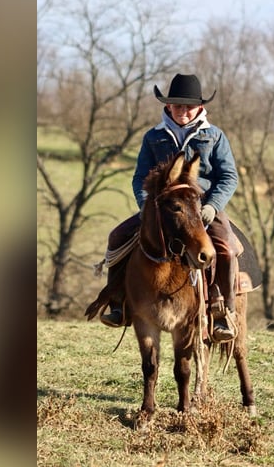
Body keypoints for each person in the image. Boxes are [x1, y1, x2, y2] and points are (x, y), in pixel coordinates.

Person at [97, 73, 240, 342]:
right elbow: (140, 176)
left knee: (227, 249)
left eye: (188, 106)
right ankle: (118, 304)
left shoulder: (215, 136)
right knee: (117, 237)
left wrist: (213, 206)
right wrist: (145, 205)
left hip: (203, 208)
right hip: (161, 210)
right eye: (177, 105)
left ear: (199, 107)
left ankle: (223, 314)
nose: (182, 111)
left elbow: (229, 176)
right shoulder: (153, 137)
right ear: (167, 106)